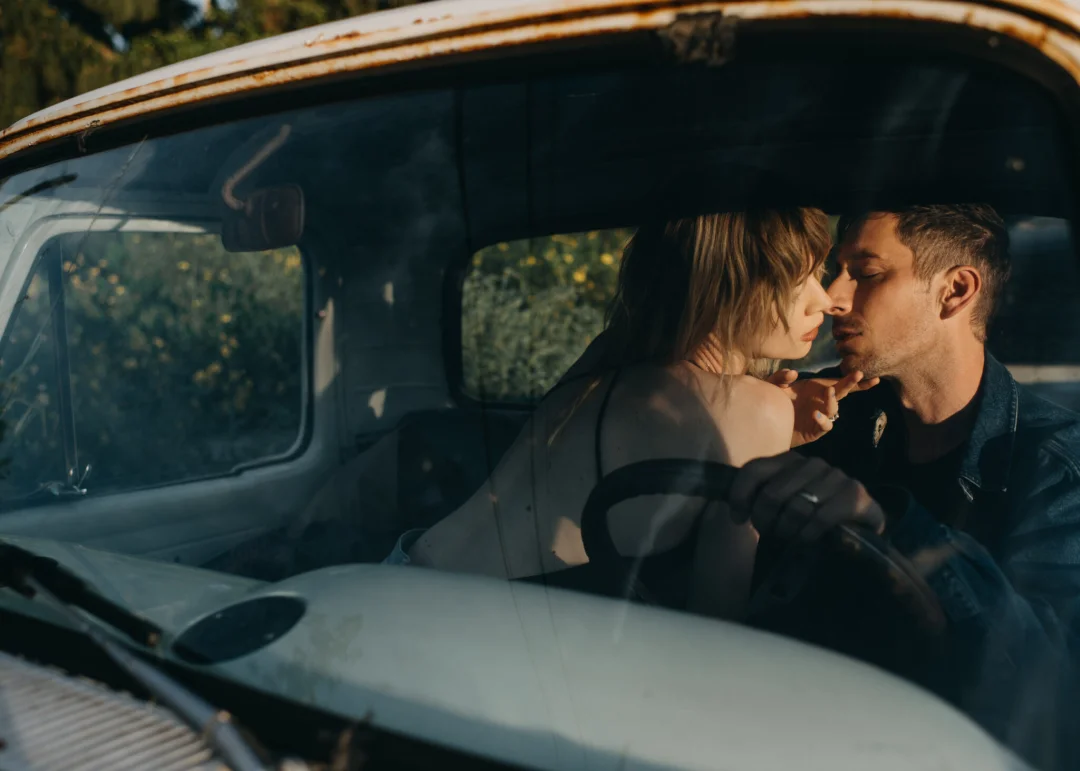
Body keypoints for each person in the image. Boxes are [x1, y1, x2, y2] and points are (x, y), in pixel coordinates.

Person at [387, 208, 875, 619]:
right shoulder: (755, 408)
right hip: (467, 625)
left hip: (400, 579)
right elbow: (716, 623)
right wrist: (766, 421)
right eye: (797, 279)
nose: (826, 299)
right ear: (728, 286)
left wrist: (772, 427)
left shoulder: (609, 353)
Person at [735, 205, 1078, 769]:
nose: (834, 297)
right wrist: (760, 432)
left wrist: (891, 527)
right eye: (836, 271)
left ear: (955, 291)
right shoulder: (819, 418)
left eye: (866, 273)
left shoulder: (1055, 467)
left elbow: (1054, 690)